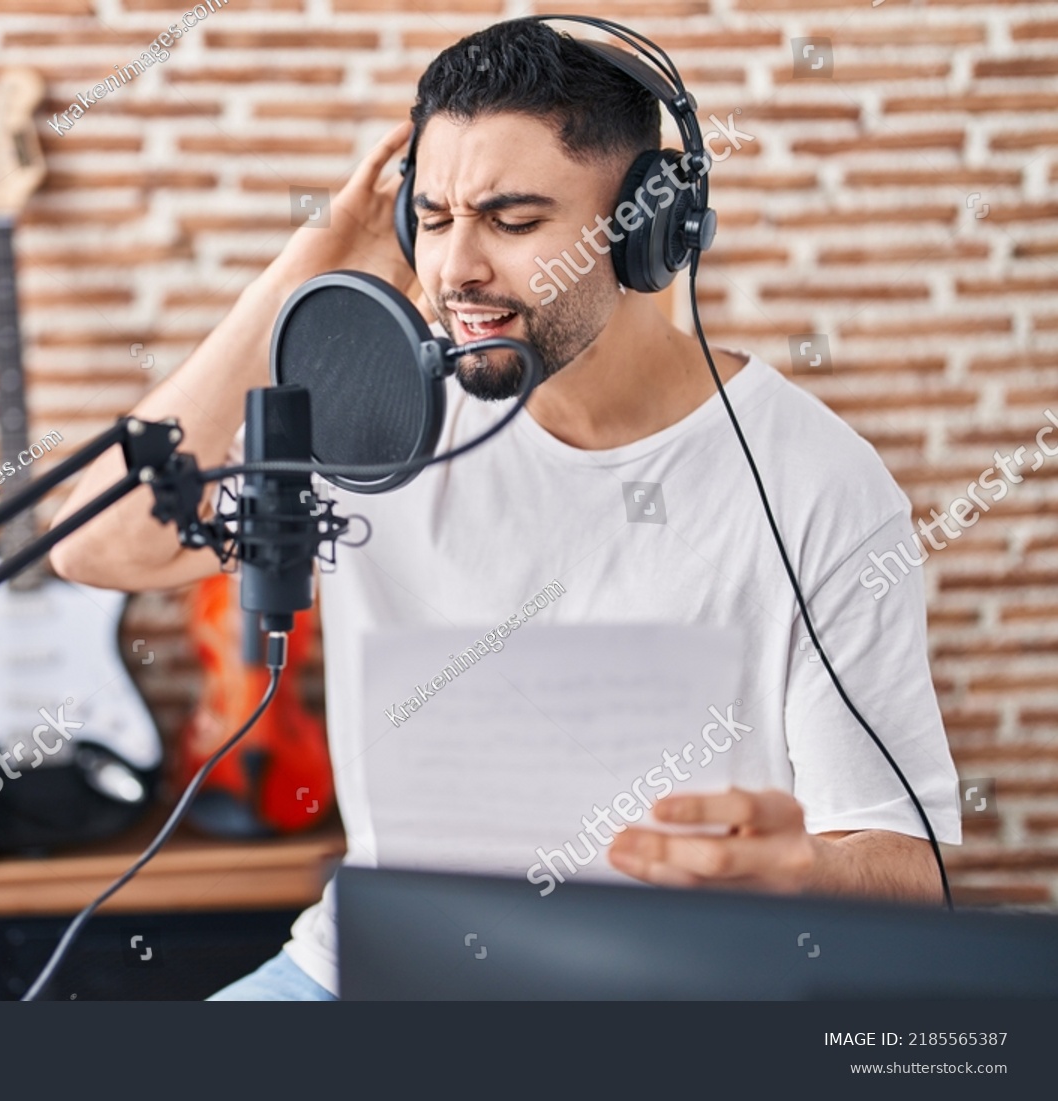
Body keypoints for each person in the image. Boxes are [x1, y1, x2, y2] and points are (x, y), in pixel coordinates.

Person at [50, 20, 961, 1001]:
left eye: (513, 222)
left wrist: (798, 879)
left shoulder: (813, 480)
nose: (456, 271)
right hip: (363, 975)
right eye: (432, 219)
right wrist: (311, 271)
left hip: (660, 995)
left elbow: (911, 877)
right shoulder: (377, 417)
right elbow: (102, 546)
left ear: (650, 228)